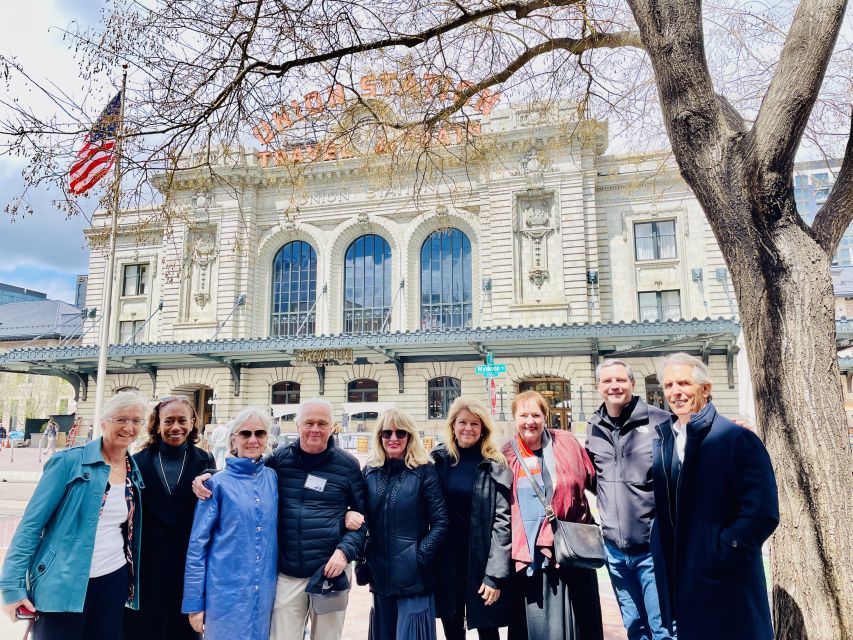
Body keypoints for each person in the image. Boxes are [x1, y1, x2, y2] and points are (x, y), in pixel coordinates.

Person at [193, 398, 366, 640]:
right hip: (288, 573)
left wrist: (345, 551)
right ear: (297, 426)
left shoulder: (348, 465)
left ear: (332, 427)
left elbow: (363, 519)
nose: (315, 429)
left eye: (322, 423)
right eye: (309, 422)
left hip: (330, 571)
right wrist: (209, 476)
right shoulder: (279, 461)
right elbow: (246, 471)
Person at [650, 353, 778, 640]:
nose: (675, 392)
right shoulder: (666, 441)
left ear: (705, 388)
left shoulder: (737, 439)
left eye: (683, 383)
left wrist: (720, 554)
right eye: (669, 385)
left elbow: (762, 512)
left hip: (727, 583)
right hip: (684, 582)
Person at [0, 390, 147, 639]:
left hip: (113, 581)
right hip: (63, 582)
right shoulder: (68, 462)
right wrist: (11, 588)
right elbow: (30, 526)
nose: (128, 427)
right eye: (121, 419)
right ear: (103, 423)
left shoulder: (135, 471)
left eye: (136, 421)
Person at [502, 390, 603, 640]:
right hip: (533, 560)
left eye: (536, 415)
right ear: (514, 419)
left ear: (546, 417)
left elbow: (594, 481)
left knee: (582, 622)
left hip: (573, 551)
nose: (530, 422)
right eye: (523, 415)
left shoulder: (566, 443)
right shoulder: (507, 455)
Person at [586, 360, 672, 640]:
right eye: (607, 381)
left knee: (663, 628)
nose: (615, 386)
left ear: (632, 384)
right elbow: (591, 478)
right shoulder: (593, 427)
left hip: (652, 549)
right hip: (614, 551)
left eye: (621, 380)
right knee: (634, 624)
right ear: (598, 386)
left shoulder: (660, 421)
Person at [124, 396, 216, 640]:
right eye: (169, 421)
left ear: (193, 422)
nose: (176, 427)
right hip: (147, 561)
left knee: (181, 628)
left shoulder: (205, 461)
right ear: (157, 425)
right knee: (144, 627)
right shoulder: (137, 462)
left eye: (182, 420)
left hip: (187, 560)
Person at [182, 408, 278, 640]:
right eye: (245, 433)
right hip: (225, 596)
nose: (253, 440)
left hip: (265, 595)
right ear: (233, 438)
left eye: (259, 433)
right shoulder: (216, 485)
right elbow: (197, 546)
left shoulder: (274, 478)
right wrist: (195, 604)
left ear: (267, 438)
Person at [361, 408, 448, 640]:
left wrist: (418, 557)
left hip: (415, 580)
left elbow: (440, 522)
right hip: (380, 577)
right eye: (386, 433)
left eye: (400, 433)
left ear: (410, 436)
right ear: (379, 436)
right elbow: (362, 519)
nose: (393, 438)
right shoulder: (370, 471)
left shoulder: (424, 471)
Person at [431, 397, 512, 640]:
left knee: (488, 629)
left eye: (475, 424)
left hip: (481, 560)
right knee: (452, 627)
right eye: (462, 422)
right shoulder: (438, 460)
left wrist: (495, 575)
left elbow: (503, 522)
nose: (468, 428)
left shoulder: (494, 464)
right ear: (452, 425)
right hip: (448, 561)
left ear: (483, 428)